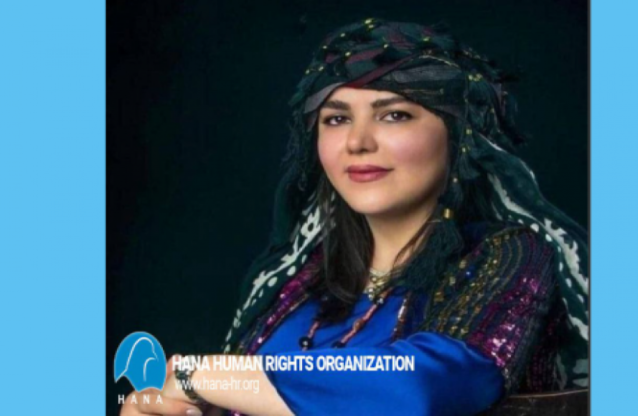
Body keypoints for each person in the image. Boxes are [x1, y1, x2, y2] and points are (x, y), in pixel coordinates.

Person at [120, 18, 588, 416]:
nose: (358, 142)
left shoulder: (508, 256)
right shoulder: (303, 277)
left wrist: (200, 374)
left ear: (457, 137)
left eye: (394, 115)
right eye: (337, 119)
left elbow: (420, 389)